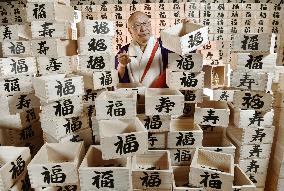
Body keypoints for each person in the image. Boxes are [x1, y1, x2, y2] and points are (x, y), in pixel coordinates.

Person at [115, 11, 196, 88]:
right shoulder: (124, 51)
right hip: (135, 99)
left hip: (160, 96)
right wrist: (122, 65)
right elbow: (118, 79)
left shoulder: (165, 44)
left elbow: (184, 55)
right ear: (130, 30)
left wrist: (188, 31)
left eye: (146, 23)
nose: (143, 29)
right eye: (137, 25)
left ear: (150, 25)